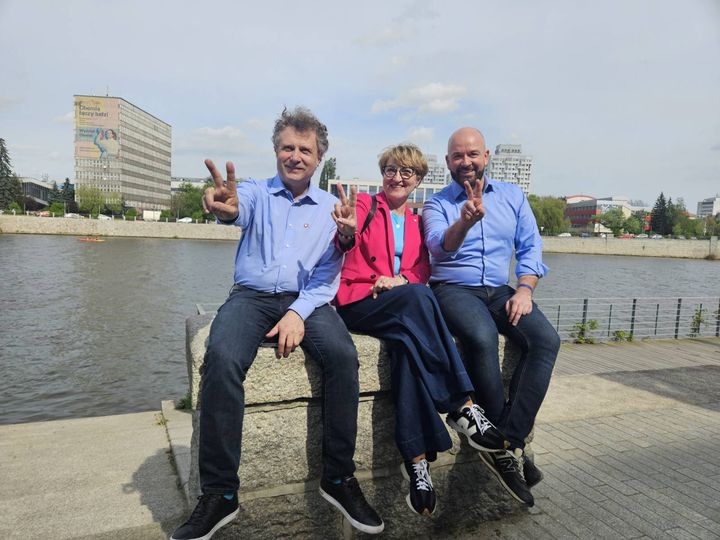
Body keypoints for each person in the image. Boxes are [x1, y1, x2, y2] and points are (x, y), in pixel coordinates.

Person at [170, 107, 384, 540]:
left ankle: (339, 478)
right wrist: (223, 208)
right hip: (250, 296)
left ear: (319, 156)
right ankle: (220, 494)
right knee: (223, 357)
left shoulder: (331, 207)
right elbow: (233, 209)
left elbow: (329, 274)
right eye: (287, 147)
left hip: (309, 299)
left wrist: (299, 310)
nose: (295, 156)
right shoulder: (253, 192)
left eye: (305, 149)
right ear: (275, 151)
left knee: (343, 357)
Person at [331, 144, 509, 517]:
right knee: (421, 300)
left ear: (418, 181)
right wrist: (346, 234)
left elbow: (422, 271)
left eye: (406, 173)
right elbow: (344, 240)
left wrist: (400, 280)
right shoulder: (365, 205)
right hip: (359, 301)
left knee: (408, 348)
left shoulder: (414, 221)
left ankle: (416, 464)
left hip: (396, 304)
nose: (397, 178)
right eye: (391, 170)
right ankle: (461, 403)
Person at [422, 128, 561, 507]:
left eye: (472, 155)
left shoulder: (513, 196)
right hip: (453, 288)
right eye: (456, 156)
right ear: (448, 161)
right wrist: (464, 221)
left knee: (546, 341)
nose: (465, 162)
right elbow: (439, 249)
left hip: (501, 291)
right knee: (481, 337)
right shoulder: (436, 204)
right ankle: (508, 452)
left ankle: (506, 442)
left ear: (485, 157)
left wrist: (525, 289)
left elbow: (530, 246)